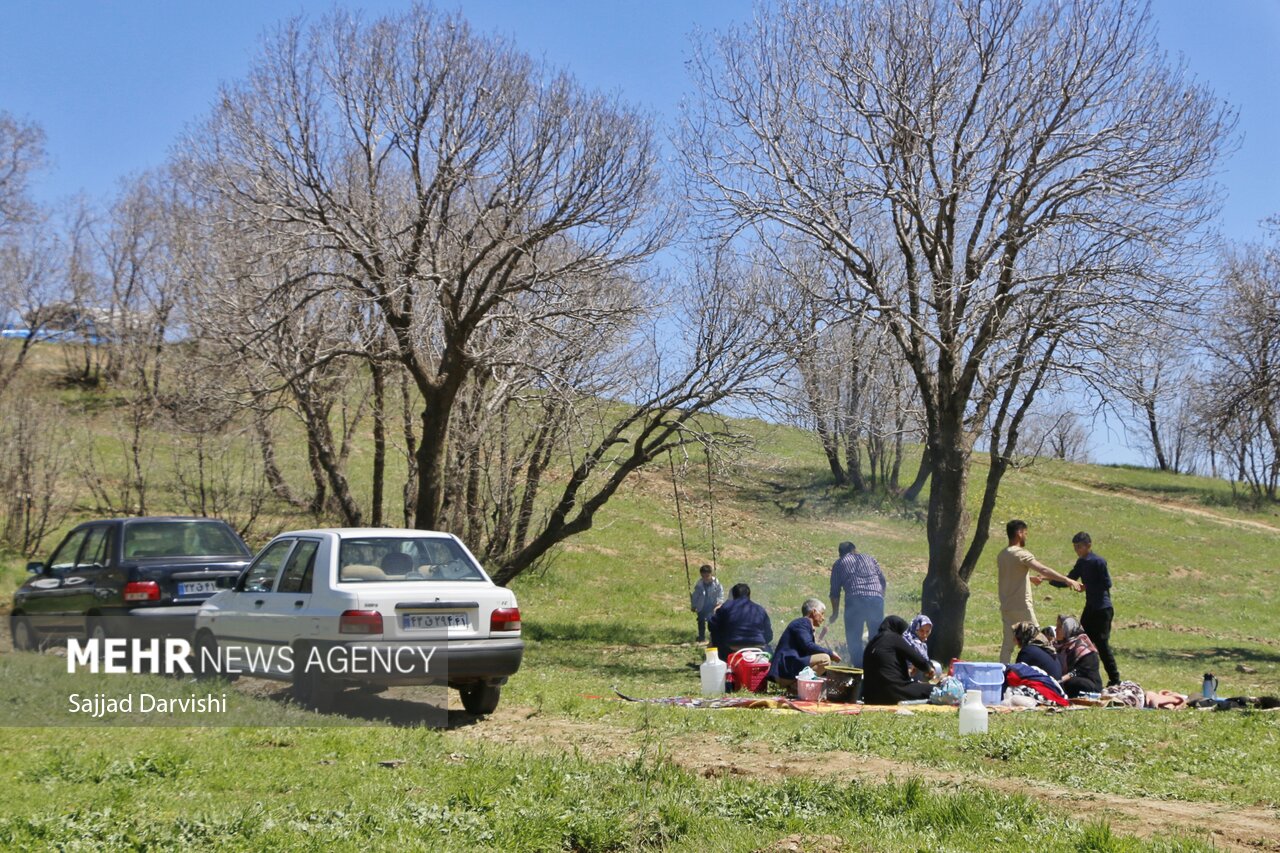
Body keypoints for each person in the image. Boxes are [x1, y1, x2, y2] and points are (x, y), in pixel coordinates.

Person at [997, 520, 1082, 664]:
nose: (1026, 537)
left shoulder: (1002, 554)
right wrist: (1067, 580)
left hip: (1006, 607)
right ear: (1019, 533)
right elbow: (1043, 569)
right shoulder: (1020, 554)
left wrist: (1028, 578)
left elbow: (1009, 576)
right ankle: (1051, 670)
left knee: (1007, 646)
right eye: (1025, 533)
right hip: (1023, 607)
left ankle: (1002, 675)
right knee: (1040, 641)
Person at [1052, 532, 1121, 687]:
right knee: (1079, 640)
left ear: (1088, 546)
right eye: (1075, 547)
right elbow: (1070, 579)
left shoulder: (1098, 562)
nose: (1076, 549)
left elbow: (1106, 584)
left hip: (1102, 609)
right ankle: (1079, 672)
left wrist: (1087, 586)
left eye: (1079, 546)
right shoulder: (1081, 563)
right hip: (1090, 609)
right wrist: (1048, 578)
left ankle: (1115, 679)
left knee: (1102, 645)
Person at [829, 540, 886, 668]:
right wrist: (879, 598)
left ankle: (860, 668)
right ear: (854, 550)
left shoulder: (839, 563)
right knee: (877, 636)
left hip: (855, 600)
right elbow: (882, 580)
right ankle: (876, 666)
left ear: (840, 554)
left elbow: (834, 593)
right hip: (876, 599)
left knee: (854, 638)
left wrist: (835, 613)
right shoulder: (869, 558)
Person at [861, 615, 933, 704]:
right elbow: (918, 660)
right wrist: (929, 669)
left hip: (870, 697)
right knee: (933, 690)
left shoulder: (871, 644)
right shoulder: (893, 638)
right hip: (892, 693)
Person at [769, 598, 839, 688]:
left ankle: (798, 686)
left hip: (788, 669)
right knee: (825, 659)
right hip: (785, 669)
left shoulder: (804, 625)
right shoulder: (802, 623)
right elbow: (808, 645)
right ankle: (797, 687)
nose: (823, 618)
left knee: (824, 660)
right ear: (814, 612)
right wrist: (830, 653)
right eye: (822, 613)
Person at [708, 583, 773, 661]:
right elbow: (769, 635)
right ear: (749, 595)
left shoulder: (726, 607)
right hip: (758, 647)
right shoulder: (759, 609)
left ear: (733, 595)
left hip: (733, 647)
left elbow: (712, 625)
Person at [1055, 614, 1103, 697]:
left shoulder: (1083, 649)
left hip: (1089, 685)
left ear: (1068, 629)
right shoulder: (1062, 646)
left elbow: (1079, 671)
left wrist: (1060, 680)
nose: (1056, 630)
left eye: (1059, 627)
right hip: (1068, 680)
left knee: (1070, 683)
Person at [689, 564, 724, 643]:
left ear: (711, 574)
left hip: (713, 605)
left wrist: (719, 603)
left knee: (711, 621)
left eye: (707, 576)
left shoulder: (717, 584)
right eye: (703, 576)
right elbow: (695, 596)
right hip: (702, 605)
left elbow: (720, 594)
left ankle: (713, 637)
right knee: (701, 621)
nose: (705, 578)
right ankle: (702, 637)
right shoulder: (699, 585)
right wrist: (694, 605)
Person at [903, 614, 934, 681]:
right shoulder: (907, 641)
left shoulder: (922, 645)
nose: (924, 635)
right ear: (915, 629)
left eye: (927, 631)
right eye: (921, 631)